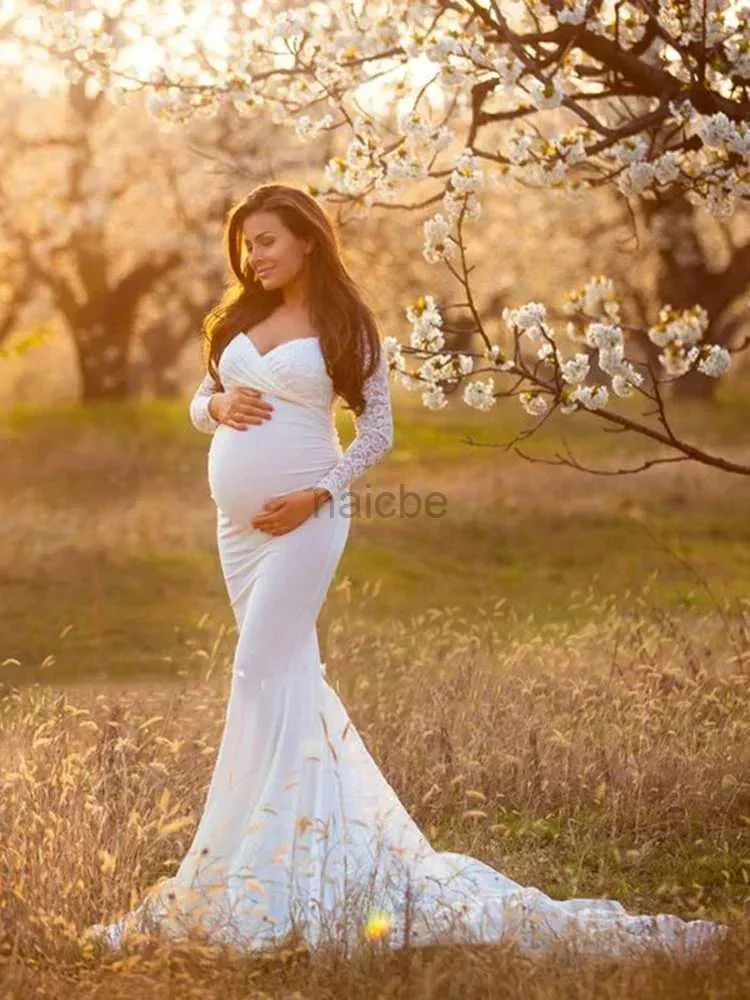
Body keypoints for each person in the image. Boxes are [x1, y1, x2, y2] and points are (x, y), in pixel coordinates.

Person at [85, 183, 728, 959]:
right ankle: (297, 852)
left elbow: (377, 431)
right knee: (288, 681)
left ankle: (244, 864)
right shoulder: (236, 319)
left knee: (259, 671)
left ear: (309, 241)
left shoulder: (345, 325)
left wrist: (314, 494)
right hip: (239, 531)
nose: (253, 256)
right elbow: (204, 397)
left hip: (308, 521)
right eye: (245, 243)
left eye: (266, 241)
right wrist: (214, 412)